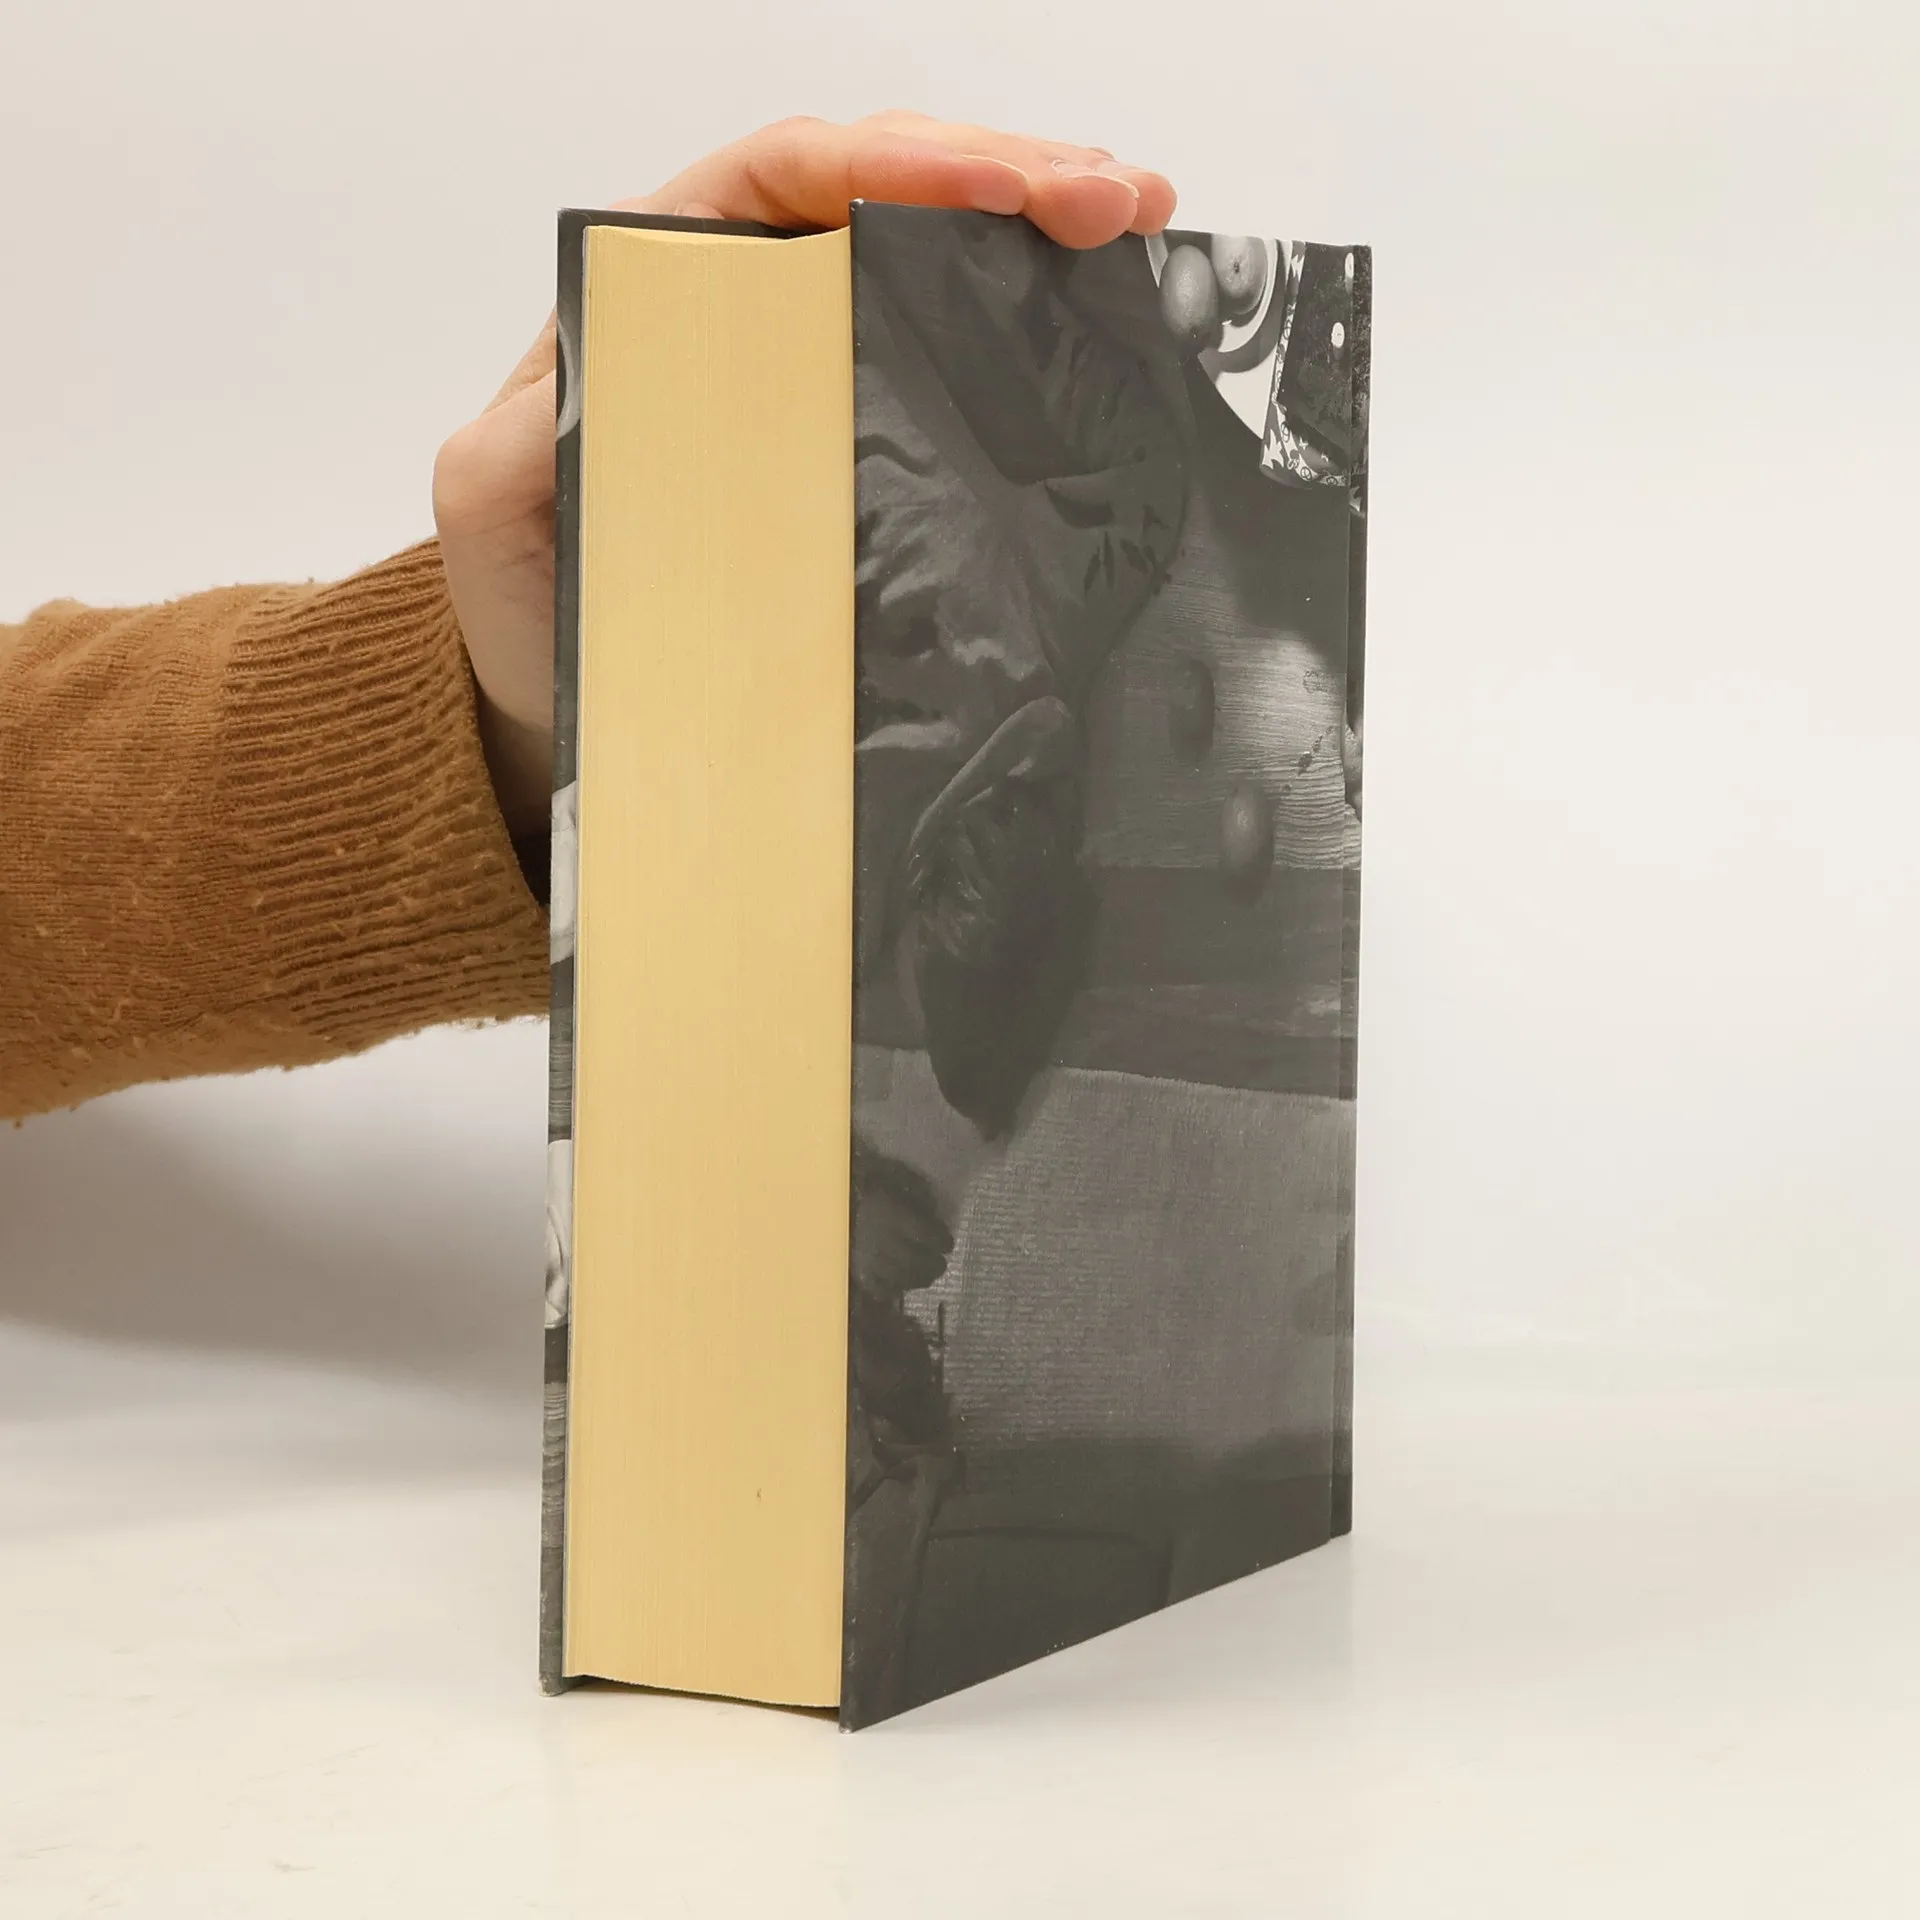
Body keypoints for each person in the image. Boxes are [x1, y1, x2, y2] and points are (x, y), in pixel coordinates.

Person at [0, 112, 1176, 1124]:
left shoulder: (1055, 611)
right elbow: (1092, 389)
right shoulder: (1085, 574)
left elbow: (1122, 426)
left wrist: (509, 734)